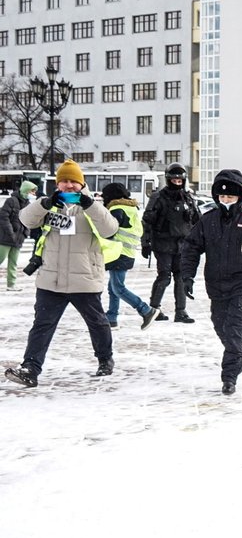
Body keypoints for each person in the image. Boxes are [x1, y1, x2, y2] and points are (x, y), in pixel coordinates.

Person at [4, 160, 118, 388]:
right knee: (42, 325)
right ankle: (30, 369)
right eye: (64, 181)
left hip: (83, 279)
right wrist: (44, 204)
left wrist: (90, 205)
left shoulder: (92, 206)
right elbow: (25, 219)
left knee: (97, 323)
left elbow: (110, 229)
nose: (68, 185)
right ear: (58, 184)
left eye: (73, 181)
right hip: (51, 280)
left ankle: (105, 359)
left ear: (81, 182)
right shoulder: (48, 205)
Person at [180, 169, 242, 395]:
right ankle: (239, 350)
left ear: (239, 198)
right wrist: (187, 276)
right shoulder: (208, 221)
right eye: (222, 198)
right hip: (215, 283)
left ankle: (230, 375)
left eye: (230, 198)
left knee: (234, 327)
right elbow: (191, 248)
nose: (225, 201)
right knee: (220, 325)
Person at [141, 162, 200, 323]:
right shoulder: (159, 197)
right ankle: (154, 309)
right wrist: (145, 243)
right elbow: (147, 221)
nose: (177, 183)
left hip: (182, 244)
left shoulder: (188, 198)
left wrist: (200, 241)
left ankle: (181, 311)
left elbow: (197, 221)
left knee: (181, 277)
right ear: (168, 180)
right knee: (164, 276)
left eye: (180, 181)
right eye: (174, 180)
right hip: (163, 243)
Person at [101, 183, 160, 329]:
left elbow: (108, 231)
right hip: (127, 253)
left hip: (117, 253)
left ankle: (146, 310)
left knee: (118, 288)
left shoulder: (116, 210)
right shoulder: (132, 208)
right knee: (113, 287)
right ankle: (112, 318)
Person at [0, 180, 37, 291]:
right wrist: (10, 232)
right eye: (32, 191)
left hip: (19, 238)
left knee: (13, 262)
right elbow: (3, 217)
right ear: (26, 190)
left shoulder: (28, 204)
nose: (33, 194)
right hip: (5, 238)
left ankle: (11, 284)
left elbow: (29, 220)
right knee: (0, 259)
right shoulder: (11, 201)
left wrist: (26, 233)